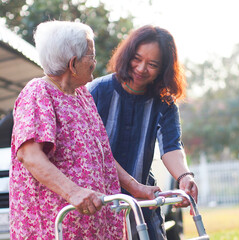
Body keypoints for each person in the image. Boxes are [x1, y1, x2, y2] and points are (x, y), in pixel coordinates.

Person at [10, 20, 159, 239]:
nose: (95, 61)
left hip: (94, 225)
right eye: (91, 55)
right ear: (73, 63)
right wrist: (73, 191)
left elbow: (103, 156)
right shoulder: (38, 93)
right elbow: (29, 155)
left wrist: (136, 187)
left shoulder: (82, 96)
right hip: (56, 227)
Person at [88, 25, 198, 239]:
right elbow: (92, 151)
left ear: (164, 69)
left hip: (144, 198)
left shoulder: (164, 103)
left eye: (152, 64)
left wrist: (184, 177)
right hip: (99, 200)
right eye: (137, 59)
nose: (141, 68)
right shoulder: (96, 91)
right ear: (127, 54)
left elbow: (171, 146)